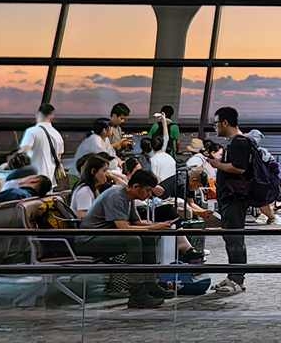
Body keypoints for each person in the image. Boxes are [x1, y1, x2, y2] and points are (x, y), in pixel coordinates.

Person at [76, 169, 176, 308]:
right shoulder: (116, 196)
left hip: (107, 236)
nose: (149, 195)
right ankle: (137, 294)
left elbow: (136, 223)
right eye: (147, 191)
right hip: (89, 240)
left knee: (147, 237)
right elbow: (123, 227)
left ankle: (150, 285)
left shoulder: (129, 198)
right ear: (135, 187)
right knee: (133, 241)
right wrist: (153, 227)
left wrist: (158, 225)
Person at [207, 106, 252, 296]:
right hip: (231, 198)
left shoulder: (239, 142)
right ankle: (233, 276)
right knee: (231, 238)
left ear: (225, 122)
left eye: (216, 123)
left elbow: (239, 169)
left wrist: (217, 164)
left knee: (235, 239)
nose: (215, 127)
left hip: (235, 198)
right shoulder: (236, 142)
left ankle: (237, 278)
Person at [246, 129, 281, 226]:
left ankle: (269, 216)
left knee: (262, 201)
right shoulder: (259, 152)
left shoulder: (254, 151)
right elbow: (272, 166)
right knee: (263, 201)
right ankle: (270, 216)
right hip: (261, 181)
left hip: (256, 181)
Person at [17, 103, 64, 186]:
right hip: (49, 181)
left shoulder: (32, 131)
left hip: (32, 181)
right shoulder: (57, 134)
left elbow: (23, 153)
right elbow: (59, 157)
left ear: (38, 114)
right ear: (52, 116)